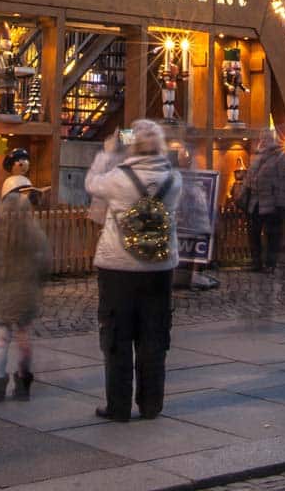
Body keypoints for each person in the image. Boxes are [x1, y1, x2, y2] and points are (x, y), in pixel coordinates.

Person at [86, 118, 183, 422]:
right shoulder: (174, 179)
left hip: (119, 266)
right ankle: (151, 403)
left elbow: (92, 184)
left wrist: (107, 153)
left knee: (117, 336)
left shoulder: (118, 178)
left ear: (132, 144)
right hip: (159, 267)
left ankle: (118, 405)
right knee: (153, 336)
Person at [0, 176, 49, 402]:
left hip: (4, 294)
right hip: (26, 294)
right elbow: (46, 261)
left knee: (2, 341)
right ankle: (23, 382)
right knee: (23, 338)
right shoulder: (35, 235)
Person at [244, 134, 285, 272]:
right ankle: (257, 262)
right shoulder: (257, 157)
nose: (262, 141)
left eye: (265, 139)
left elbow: (284, 181)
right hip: (256, 202)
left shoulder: (281, 157)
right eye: (261, 139)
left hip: (272, 202)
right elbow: (250, 177)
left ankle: (270, 264)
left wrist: (280, 204)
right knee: (254, 233)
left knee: (272, 234)